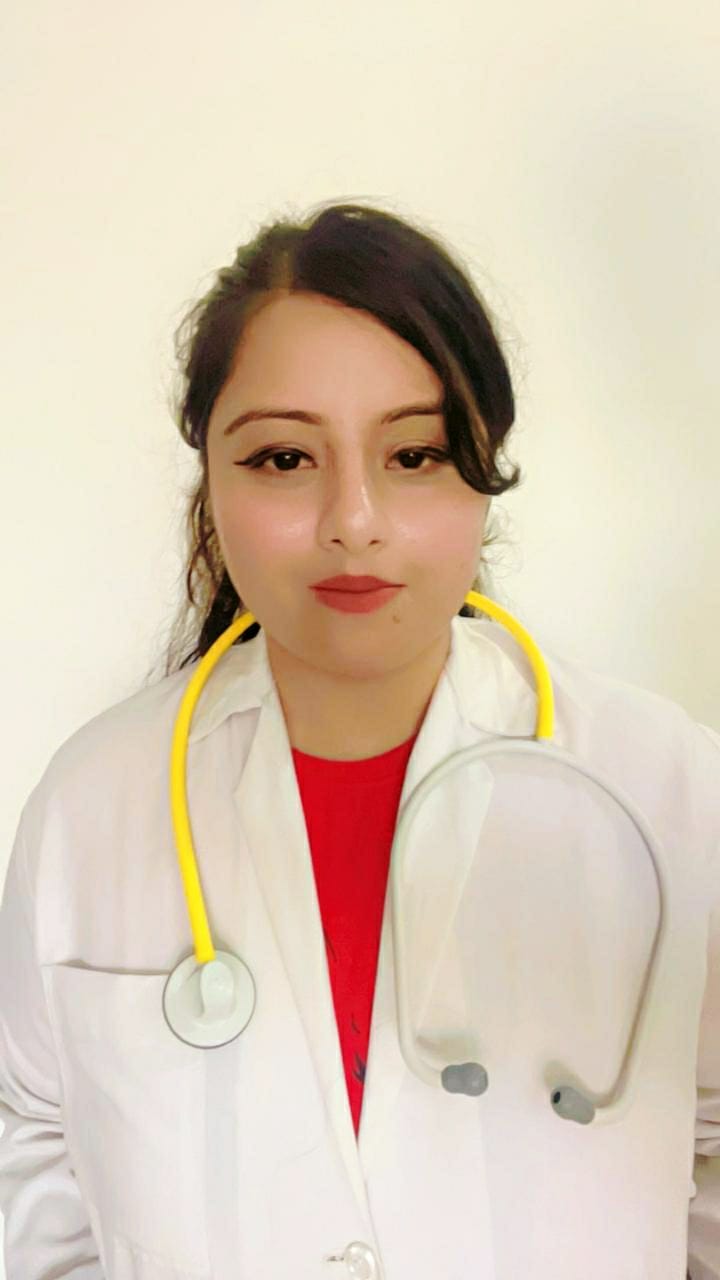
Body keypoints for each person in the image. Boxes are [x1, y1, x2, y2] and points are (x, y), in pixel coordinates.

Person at [0, 201, 717, 1280]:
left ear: (485, 467)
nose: (354, 519)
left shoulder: (665, 789)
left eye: (415, 453)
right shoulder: (93, 800)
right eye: (285, 457)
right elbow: (35, 1152)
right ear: (212, 479)